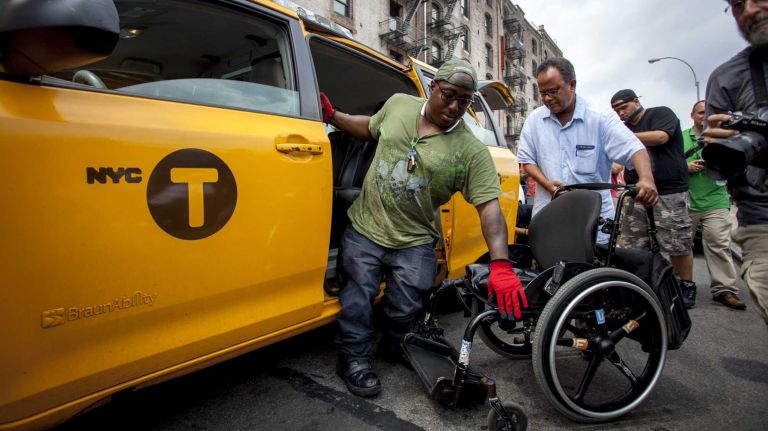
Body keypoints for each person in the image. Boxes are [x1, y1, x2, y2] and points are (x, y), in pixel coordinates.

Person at [320, 59, 528, 397]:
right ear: (432, 88)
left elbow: (489, 207)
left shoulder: (470, 152)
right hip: (366, 228)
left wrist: (501, 264)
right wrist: (334, 117)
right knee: (357, 299)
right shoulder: (399, 105)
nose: (454, 106)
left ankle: (393, 343)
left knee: (405, 308)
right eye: (448, 95)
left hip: (414, 241)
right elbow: (370, 127)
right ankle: (354, 359)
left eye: (464, 101)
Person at [517, 57, 658, 245]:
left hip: (593, 221)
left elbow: (634, 148)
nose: (547, 99)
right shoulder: (534, 121)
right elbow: (527, 161)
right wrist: (551, 187)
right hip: (549, 217)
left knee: (592, 270)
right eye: (542, 93)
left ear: (572, 85)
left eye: (553, 91)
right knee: (550, 271)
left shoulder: (599, 118)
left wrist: (646, 179)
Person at [703, 0, 768, 324]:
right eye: (739, 4)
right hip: (761, 218)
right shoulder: (727, 78)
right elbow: (717, 163)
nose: (751, 10)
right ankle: (722, 288)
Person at [611, 89, 697, 308]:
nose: (621, 113)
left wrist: (626, 137)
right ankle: (639, 286)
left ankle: (686, 284)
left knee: (676, 241)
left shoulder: (660, 114)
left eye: (623, 107)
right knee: (632, 243)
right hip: (635, 193)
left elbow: (660, 137)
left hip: (668, 191)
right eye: (616, 111)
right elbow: (618, 161)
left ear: (636, 102)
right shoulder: (623, 129)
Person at [684, 100, 746, 309]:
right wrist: (687, 166)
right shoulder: (683, 137)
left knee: (719, 244)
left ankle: (724, 290)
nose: (704, 115)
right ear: (692, 115)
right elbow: (671, 164)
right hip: (687, 201)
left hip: (716, 199)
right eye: (701, 112)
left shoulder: (727, 139)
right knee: (681, 247)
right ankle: (681, 286)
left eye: (709, 112)